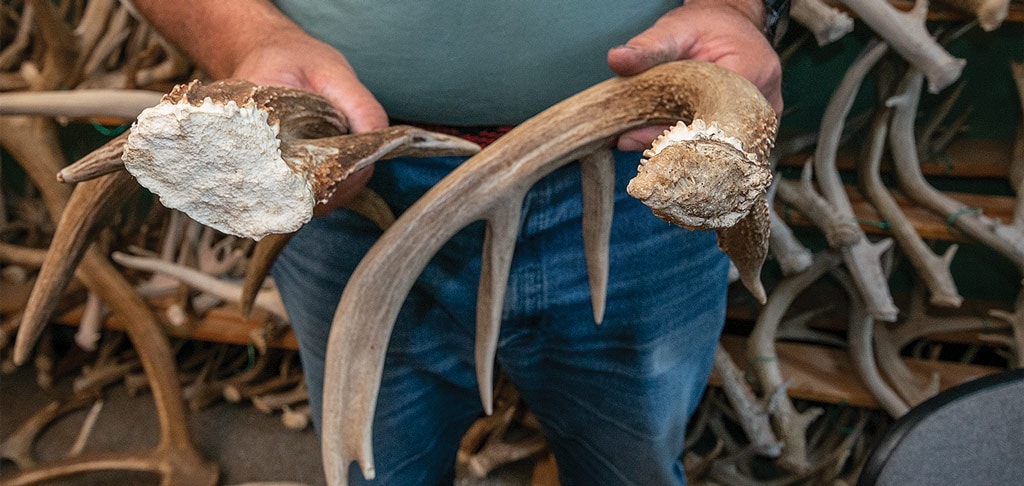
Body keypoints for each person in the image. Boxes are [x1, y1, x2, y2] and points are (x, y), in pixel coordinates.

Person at [132, 1, 788, 484]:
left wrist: (733, 9)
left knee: (631, 468)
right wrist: (248, 36)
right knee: (378, 471)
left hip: (651, 167)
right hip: (345, 179)